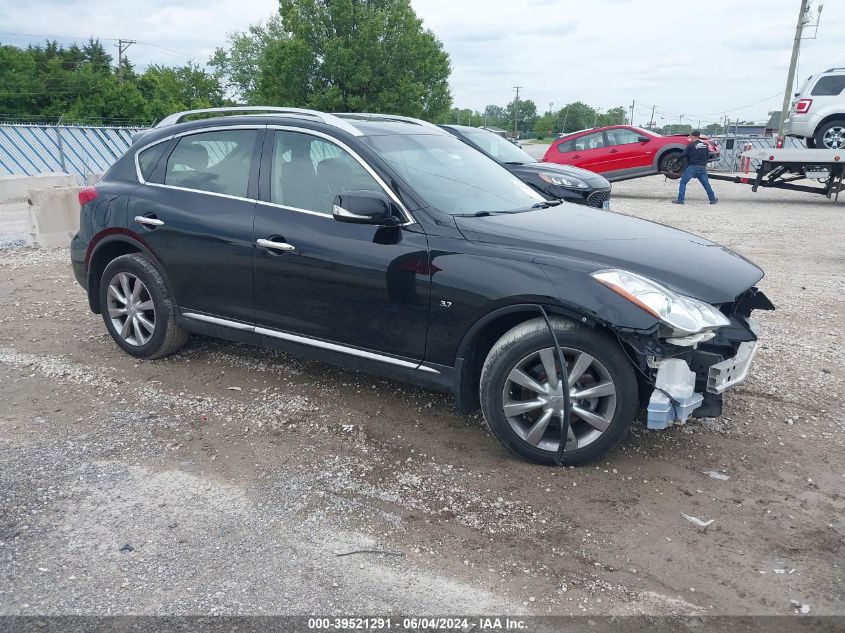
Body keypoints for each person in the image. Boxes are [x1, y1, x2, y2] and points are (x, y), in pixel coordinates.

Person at [672, 131, 717, 205]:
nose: (690, 139)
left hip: (692, 168)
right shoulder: (705, 145)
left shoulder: (691, 145)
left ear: (693, 136)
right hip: (702, 168)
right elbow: (707, 156)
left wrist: (676, 161)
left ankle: (680, 200)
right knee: (706, 184)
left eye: (690, 137)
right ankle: (712, 199)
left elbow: (683, 154)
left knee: (683, 182)